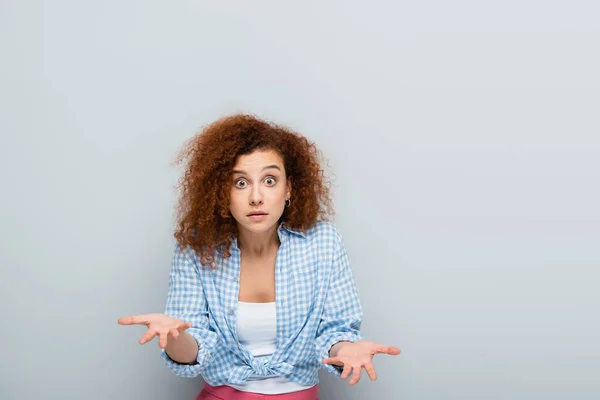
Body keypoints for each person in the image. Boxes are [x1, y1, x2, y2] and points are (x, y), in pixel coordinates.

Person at [118, 114, 401, 399]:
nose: (256, 197)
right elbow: (192, 352)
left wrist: (346, 348)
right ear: (222, 193)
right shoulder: (197, 248)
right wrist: (175, 339)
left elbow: (335, 330)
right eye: (240, 183)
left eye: (269, 180)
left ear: (288, 188)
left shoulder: (323, 242)